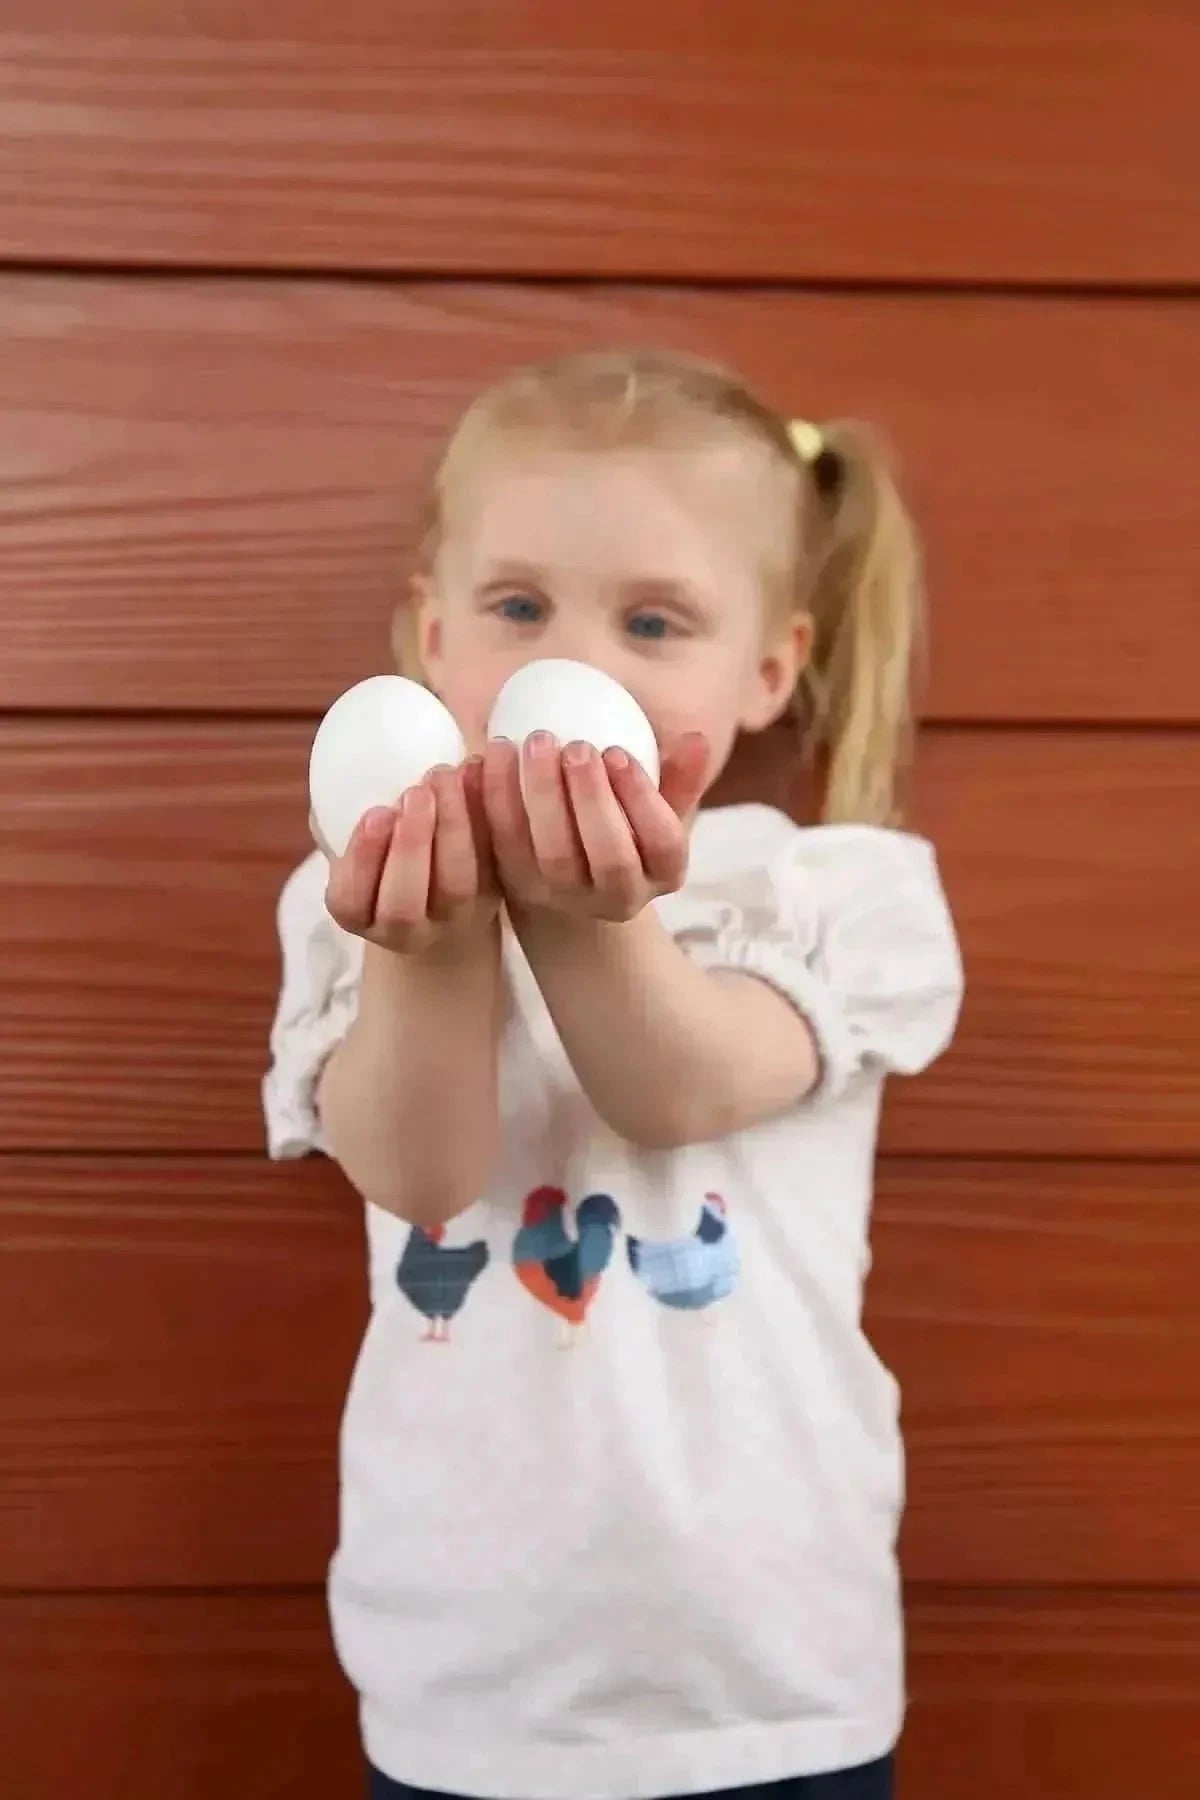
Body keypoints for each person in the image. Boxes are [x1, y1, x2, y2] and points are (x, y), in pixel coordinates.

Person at [263, 350, 964, 1800]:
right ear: (429, 632)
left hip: (768, 1680)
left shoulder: (830, 895)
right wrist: (435, 945)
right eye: (518, 608)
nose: (561, 672)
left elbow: (681, 1089)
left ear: (769, 670)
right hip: (470, 1681)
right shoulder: (355, 894)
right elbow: (422, 1176)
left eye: (652, 622)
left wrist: (594, 920)